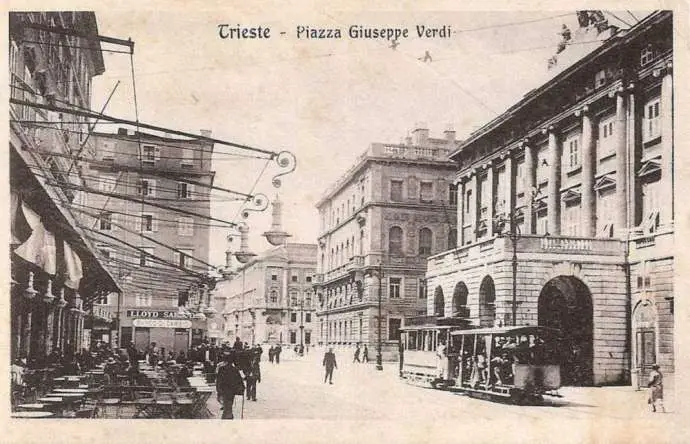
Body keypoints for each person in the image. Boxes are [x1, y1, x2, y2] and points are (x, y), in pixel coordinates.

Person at [216, 351, 246, 419]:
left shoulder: (221, 369)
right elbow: (240, 381)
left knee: (227, 408)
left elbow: (218, 381)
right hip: (231, 393)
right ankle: (229, 419)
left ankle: (227, 420)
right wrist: (242, 389)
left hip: (223, 392)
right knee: (228, 407)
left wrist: (219, 391)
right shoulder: (235, 370)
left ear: (225, 361)